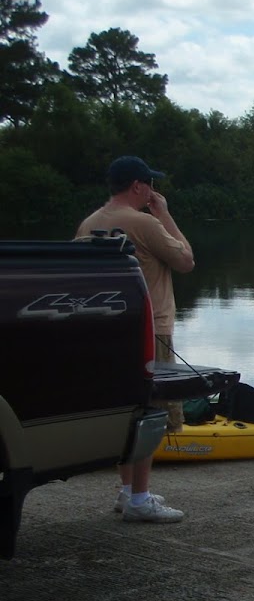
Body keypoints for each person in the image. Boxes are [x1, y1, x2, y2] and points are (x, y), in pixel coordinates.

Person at [76, 155, 195, 523]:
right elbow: (186, 260)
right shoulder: (144, 222)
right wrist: (165, 215)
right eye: (150, 186)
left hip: (107, 328)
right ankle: (140, 499)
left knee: (124, 411)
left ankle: (127, 491)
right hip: (150, 327)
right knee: (150, 411)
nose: (153, 193)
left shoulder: (89, 224)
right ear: (138, 187)